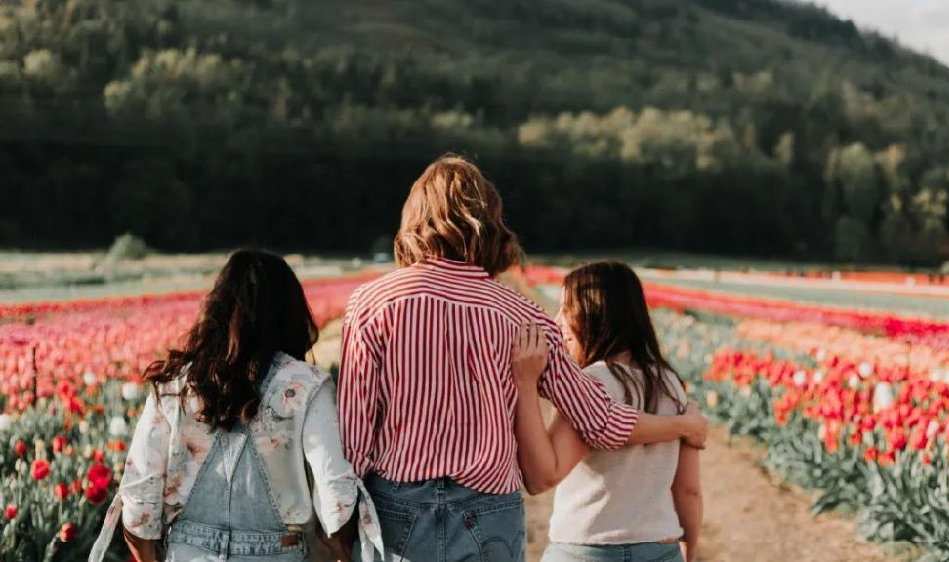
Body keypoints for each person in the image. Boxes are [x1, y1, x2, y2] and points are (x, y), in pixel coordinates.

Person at [338, 155, 708, 562]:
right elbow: (599, 421)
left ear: (414, 221)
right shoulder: (523, 317)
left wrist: (342, 522)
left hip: (398, 507)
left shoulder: (371, 304)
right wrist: (681, 425)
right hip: (488, 509)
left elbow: (356, 434)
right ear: (490, 223)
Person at [89, 250, 383, 562]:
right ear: (290, 313)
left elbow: (138, 500)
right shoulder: (307, 385)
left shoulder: (175, 385)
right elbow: (336, 496)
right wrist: (339, 552)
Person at [512, 261, 702, 562]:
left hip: (587, 549)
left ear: (594, 313)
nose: (557, 321)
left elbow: (541, 477)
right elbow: (688, 489)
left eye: (566, 309)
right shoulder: (671, 385)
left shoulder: (590, 383)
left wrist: (525, 383)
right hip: (660, 549)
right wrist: (689, 546)